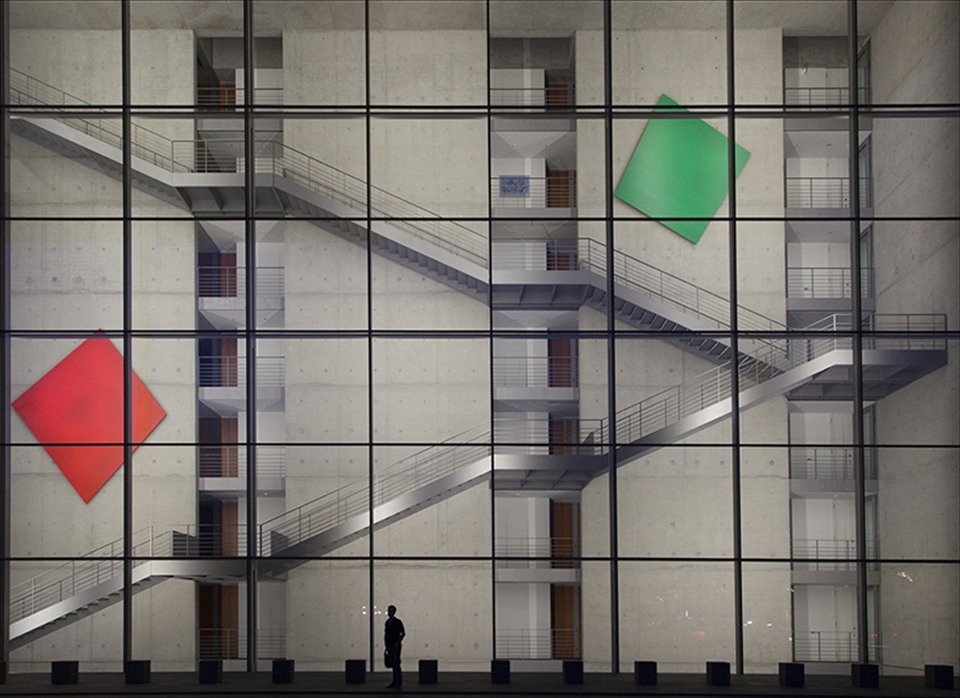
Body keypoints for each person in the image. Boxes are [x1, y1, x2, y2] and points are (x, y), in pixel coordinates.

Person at [384, 604, 405, 689]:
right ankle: (396, 681)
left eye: (390, 611)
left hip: (394, 645)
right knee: (394, 664)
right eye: (388, 611)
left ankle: (397, 682)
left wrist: (397, 643)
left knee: (396, 664)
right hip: (390, 645)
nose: (389, 613)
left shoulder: (396, 622)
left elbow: (403, 633)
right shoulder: (388, 622)